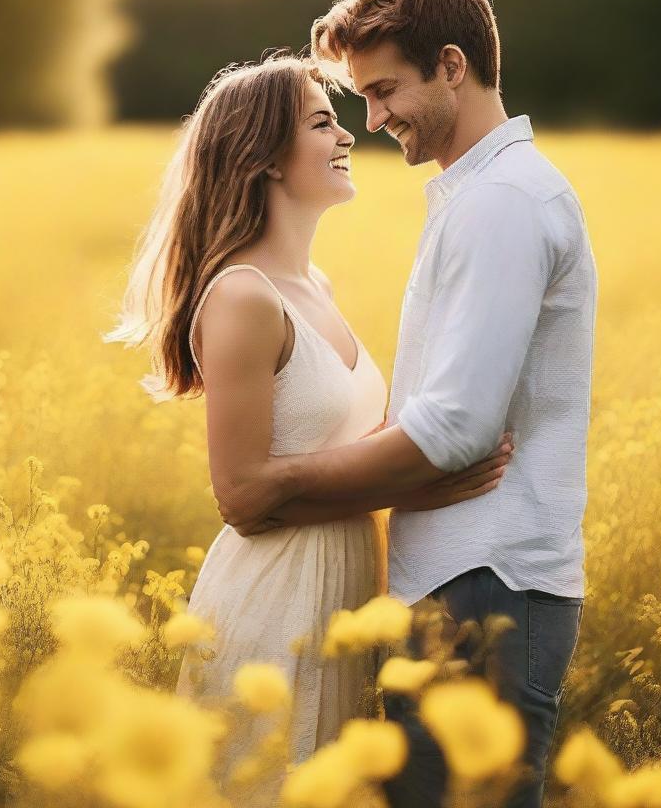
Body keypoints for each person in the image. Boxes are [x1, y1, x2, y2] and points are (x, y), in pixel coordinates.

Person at [217, 0, 599, 808]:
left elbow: (457, 427)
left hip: (488, 581)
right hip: (462, 582)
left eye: (385, 90)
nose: (374, 117)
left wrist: (268, 488)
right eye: (359, 100)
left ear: (452, 68)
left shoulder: (504, 201)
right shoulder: (478, 196)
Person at [102, 50, 513, 806]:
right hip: (276, 598)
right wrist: (414, 491)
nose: (351, 134)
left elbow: (350, 448)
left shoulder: (314, 287)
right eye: (323, 122)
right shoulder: (243, 297)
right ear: (263, 158)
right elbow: (241, 497)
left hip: (347, 594)